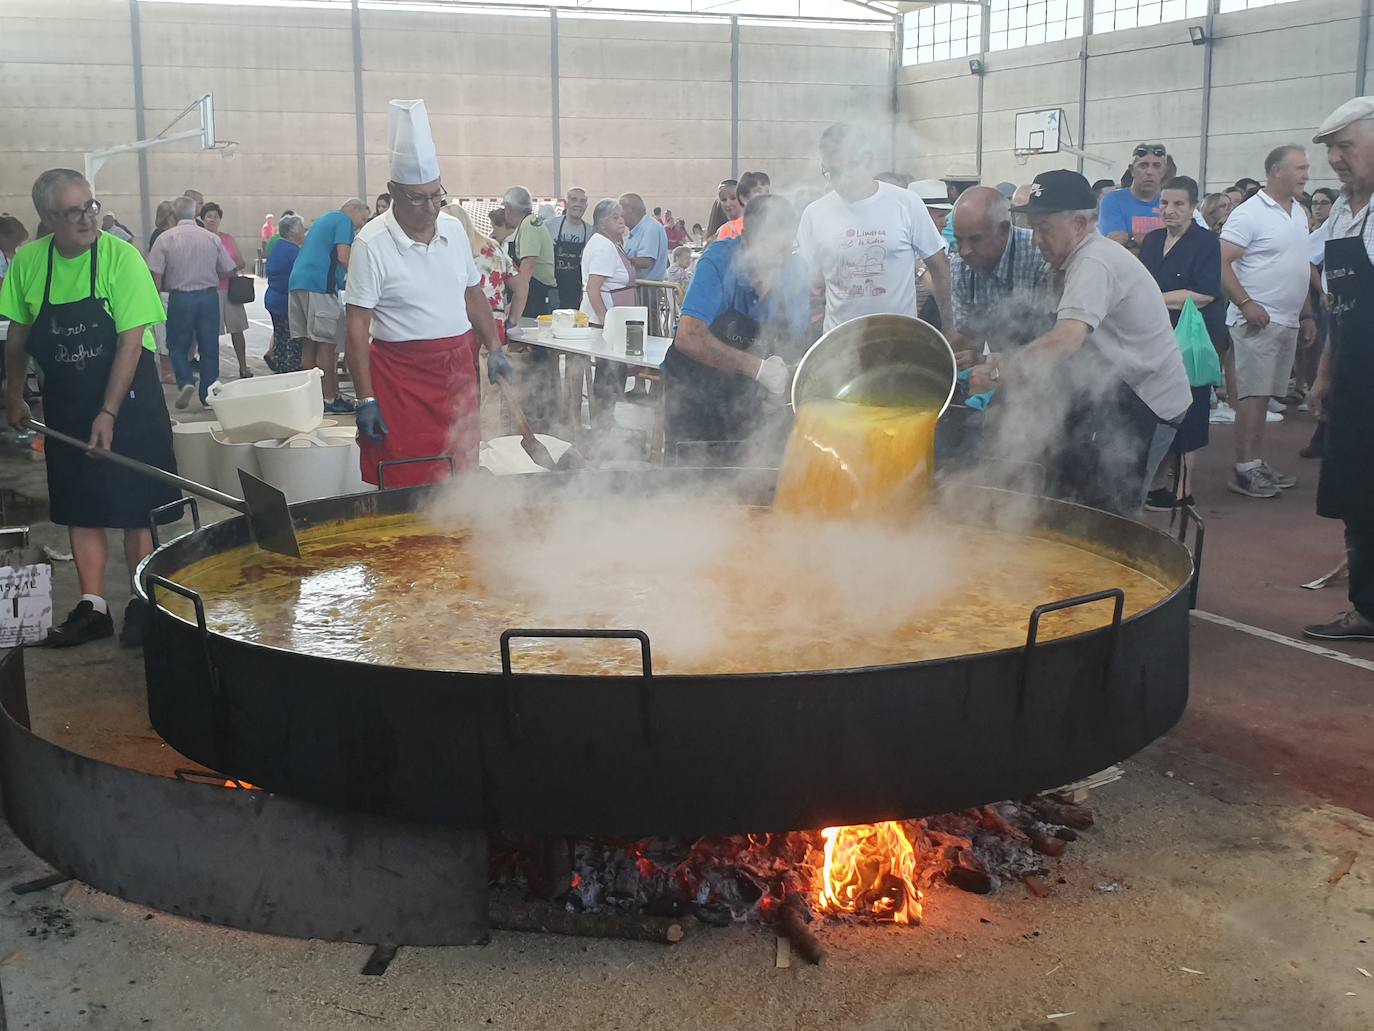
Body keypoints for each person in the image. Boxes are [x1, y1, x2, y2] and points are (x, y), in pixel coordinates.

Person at [1, 169, 178, 648]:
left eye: (90, 206)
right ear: (47, 218)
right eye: (72, 212)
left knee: (137, 510)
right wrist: (14, 393)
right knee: (82, 508)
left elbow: (129, 344)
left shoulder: (122, 259)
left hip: (130, 404)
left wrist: (109, 413)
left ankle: (143, 602)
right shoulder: (30, 263)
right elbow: (17, 335)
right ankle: (92, 607)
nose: (86, 219)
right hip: (66, 405)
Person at [970, 170, 1192, 516]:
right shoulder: (1067, 261)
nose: (1035, 241)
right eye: (1033, 229)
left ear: (1079, 224)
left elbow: (1067, 338)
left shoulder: (1093, 261)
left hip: (1146, 397)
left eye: (1044, 229)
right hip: (1113, 386)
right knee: (1078, 489)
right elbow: (1059, 334)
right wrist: (1006, 357)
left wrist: (1002, 373)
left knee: (1114, 510)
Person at [345, 99, 512, 489]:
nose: (430, 207)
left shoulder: (453, 230)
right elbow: (356, 325)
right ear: (393, 192)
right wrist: (365, 399)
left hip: (456, 367)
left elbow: (473, 294)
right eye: (417, 198)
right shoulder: (371, 243)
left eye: (436, 195)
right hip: (401, 376)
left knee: (461, 468)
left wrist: (494, 346)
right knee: (408, 475)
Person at [662, 194, 810, 458]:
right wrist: (759, 369)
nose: (780, 261)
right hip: (695, 393)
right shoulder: (718, 261)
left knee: (748, 476)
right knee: (690, 483)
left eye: (786, 249)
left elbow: (797, 339)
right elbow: (689, 336)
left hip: (747, 399)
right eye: (772, 251)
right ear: (750, 241)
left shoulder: (795, 268)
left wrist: (782, 372)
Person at [1303, 98, 1374, 641]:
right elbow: (1336, 306)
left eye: (1344, 147)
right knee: (1357, 498)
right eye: (1330, 150)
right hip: (1353, 379)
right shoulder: (1341, 217)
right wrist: (1325, 375)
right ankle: (1367, 609)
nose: (1334, 160)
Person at [1219, 144, 1315, 498]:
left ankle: (1255, 463)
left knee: (1266, 397)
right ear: (1276, 171)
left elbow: (1299, 266)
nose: (1307, 174)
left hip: (1286, 320)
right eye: (1300, 168)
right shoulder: (1249, 213)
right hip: (1256, 321)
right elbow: (1223, 262)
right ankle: (1244, 469)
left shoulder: (1299, 213)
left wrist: (1305, 313)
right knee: (1252, 397)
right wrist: (1246, 304)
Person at [796, 122, 952, 333]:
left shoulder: (906, 203)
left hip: (901, 337)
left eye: (849, 167)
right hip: (841, 343)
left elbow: (940, 267)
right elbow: (809, 284)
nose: (841, 180)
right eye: (832, 172)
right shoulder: (814, 214)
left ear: (868, 160)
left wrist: (950, 328)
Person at [1139, 176, 1225, 510]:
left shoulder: (1206, 243)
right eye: (1164, 203)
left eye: (1178, 204)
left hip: (1190, 337)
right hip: (1155, 336)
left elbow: (1204, 293)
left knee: (1190, 408)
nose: (1169, 210)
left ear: (1193, 207)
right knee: (1156, 409)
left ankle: (1183, 488)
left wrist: (1153, 299)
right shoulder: (1152, 240)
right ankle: (1157, 481)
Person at [147, 195, 236, 409]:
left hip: (180, 297)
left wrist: (157, 297)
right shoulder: (211, 238)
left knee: (176, 344)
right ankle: (208, 395)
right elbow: (229, 269)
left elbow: (155, 273)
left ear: (175, 214)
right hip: (208, 297)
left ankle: (186, 380)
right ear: (195, 213)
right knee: (209, 346)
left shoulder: (165, 238)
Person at [946, 186, 1053, 360]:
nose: (964, 251)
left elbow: (1056, 340)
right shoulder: (960, 266)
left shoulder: (1039, 255)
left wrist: (991, 362)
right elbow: (968, 333)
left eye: (975, 240)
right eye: (958, 240)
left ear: (1003, 230)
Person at [288, 197, 371, 414]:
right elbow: (344, 257)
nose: (359, 226)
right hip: (318, 286)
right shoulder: (343, 220)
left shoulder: (324, 220)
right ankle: (329, 398)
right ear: (353, 210)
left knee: (309, 343)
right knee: (326, 345)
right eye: (362, 219)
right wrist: (364, 280)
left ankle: (311, 397)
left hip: (298, 283)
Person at [580, 197, 638, 417]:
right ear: (602, 223)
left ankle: (606, 423)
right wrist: (607, 322)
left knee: (614, 374)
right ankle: (602, 427)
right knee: (609, 376)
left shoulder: (612, 244)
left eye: (622, 216)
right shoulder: (604, 246)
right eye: (615, 217)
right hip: (604, 321)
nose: (621, 221)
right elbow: (593, 288)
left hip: (615, 319)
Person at [198, 202, 251, 380]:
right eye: (209, 216)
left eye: (215, 216)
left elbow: (241, 261)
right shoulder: (200, 238)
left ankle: (243, 367)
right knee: (211, 332)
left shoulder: (227, 238)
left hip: (230, 289)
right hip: (210, 290)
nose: (212, 219)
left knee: (238, 329)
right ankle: (211, 371)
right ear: (202, 219)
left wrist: (228, 268)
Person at [1098, 143, 1168, 254]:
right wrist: (1162, 243)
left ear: (1164, 172)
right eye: (1143, 165)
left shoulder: (1170, 203)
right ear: (1132, 170)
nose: (1149, 172)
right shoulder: (1113, 201)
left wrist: (1130, 238)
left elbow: (1180, 245)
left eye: (1156, 166)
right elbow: (1115, 246)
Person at [263, 213, 306, 373]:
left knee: (280, 339)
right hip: (286, 302)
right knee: (293, 340)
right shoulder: (293, 251)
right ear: (293, 232)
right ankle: (291, 372)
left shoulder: (278, 247)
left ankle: (281, 371)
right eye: (302, 228)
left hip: (273, 298)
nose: (304, 231)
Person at [547, 186, 590, 309]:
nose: (578, 204)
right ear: (566, 203)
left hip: (577, 291)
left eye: (582, 201)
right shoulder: (549, 226)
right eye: (574, 200)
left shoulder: (590, 231)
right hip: (553, 290)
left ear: (586, 205)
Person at [621, 192, 669, 281]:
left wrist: (617, 259)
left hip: (647, 290)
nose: (619, 215)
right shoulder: (638, 229)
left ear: (632, 210)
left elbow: (645, 262)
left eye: (620, 210)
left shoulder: (649, 228)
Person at [715, 171, 770, 242]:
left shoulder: (775, 224)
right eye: (758, 191)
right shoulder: (726, 229)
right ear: (743, 198)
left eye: (767, 191)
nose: (728, 204)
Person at [0, 215, 29, 291]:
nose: (18, 245)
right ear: (3, 238)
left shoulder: (17, 251)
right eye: (16, 243)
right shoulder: (1, 257)